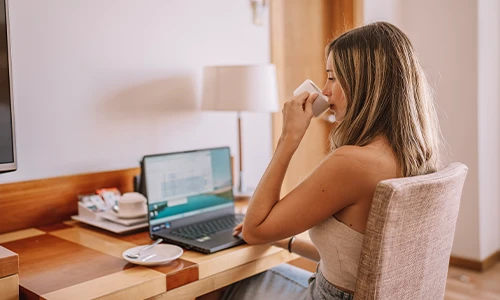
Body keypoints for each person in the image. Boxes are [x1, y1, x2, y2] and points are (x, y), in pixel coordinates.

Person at [220, 21, 441, 300]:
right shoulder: (415, 155)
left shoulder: (351, 163)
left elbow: (253, 230)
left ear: (364, 85)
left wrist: (288, 138)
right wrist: (287, 241)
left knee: (217, 289)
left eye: (333, 78)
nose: (324, 91)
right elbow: (366, 262)